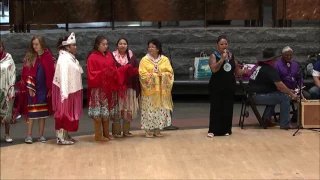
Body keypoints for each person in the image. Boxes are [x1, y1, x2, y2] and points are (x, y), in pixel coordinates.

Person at [87, 35, 134, 141]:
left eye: (106, 44)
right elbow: (91, 74)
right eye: (103, 44)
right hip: (98, 89)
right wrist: (104, 73)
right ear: (97, 45)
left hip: (109, 88)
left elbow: (113, 69)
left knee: (106, 112)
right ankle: (98, 135)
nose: (105, 46)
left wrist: (120, 71)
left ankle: (107, 133)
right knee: (98, 113)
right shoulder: (92, 57)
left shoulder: (108, 55)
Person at [207, 35, 248, 137]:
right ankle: (213, 130)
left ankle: (226, 129)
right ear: (217, 45)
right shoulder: (214, 55)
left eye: (226, 44)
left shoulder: (232, 56)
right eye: (222, 44)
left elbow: (236, 71)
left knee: (228, 107)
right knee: (216, 107)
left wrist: (245, 71)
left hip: (229, 85)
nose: (224, 46)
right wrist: (222, 59)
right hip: (217, 85)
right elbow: (214, 69)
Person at [247, 48, 298, 130]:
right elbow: (280, 85)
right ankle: (285, 124)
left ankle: (266, 119)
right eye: (275, 59)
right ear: (272, 60)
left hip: (251, 95)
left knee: (275, 94)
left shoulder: (259, 67)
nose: (276, 60)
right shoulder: (269, 69)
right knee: (284, 97)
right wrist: (291, 94)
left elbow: (276, 87)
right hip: (258, 96)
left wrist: (288, 90)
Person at [21, 35, 55, 144]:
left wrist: (50, 88)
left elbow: (51, 72)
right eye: (33, 44)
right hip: (33, 89)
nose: (34, 46)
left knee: (42, 114)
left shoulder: (48, 56)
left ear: (42, 44)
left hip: (44, 89)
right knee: (32, 113)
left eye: (36, 44)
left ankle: (41, 135)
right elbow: (26, 73)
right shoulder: (30, 56)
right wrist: (30, 87)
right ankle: (29, 135)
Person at [52, 32, 83, 145]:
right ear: (67, 47)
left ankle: (65, 134)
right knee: (63, 113)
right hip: (65, 90)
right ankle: (60, 137)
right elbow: (63, 75)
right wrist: (64, 93)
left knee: (69, 113)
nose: (76, 47)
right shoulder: (63, 59)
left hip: (72, 89)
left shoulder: (69, 57)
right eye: (73, 45)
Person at [139, 39, 174, 138]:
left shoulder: (164, 59)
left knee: (160, 109)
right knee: (150, 109)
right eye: (149, 47)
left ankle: (158, 129)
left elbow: (170, 73)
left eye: (152, 47)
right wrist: (154, 76)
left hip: (161, 90)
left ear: (158, 49)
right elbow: (142, 74)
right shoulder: (144, 60)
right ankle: (148, 130)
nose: (150, 49)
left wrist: (162, 75)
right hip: (150, 90)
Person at [112, 38, 140, 137]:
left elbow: (136, 70)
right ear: (117, 45)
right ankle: (116, 131)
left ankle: (126, 130)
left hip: (129, 87)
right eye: (120, 43)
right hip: (117, 88)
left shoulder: (132, 57)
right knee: (118, 108)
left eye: (124, 44)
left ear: (127, 45)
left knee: (128, 108)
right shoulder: (112, 56)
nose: (122, 45)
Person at [0, 41, 15, 143]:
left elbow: (12, 71)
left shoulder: (8, 57)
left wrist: (10, 88)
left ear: (2, 47)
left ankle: (7, 134)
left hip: (6, 89)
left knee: (7, 113)